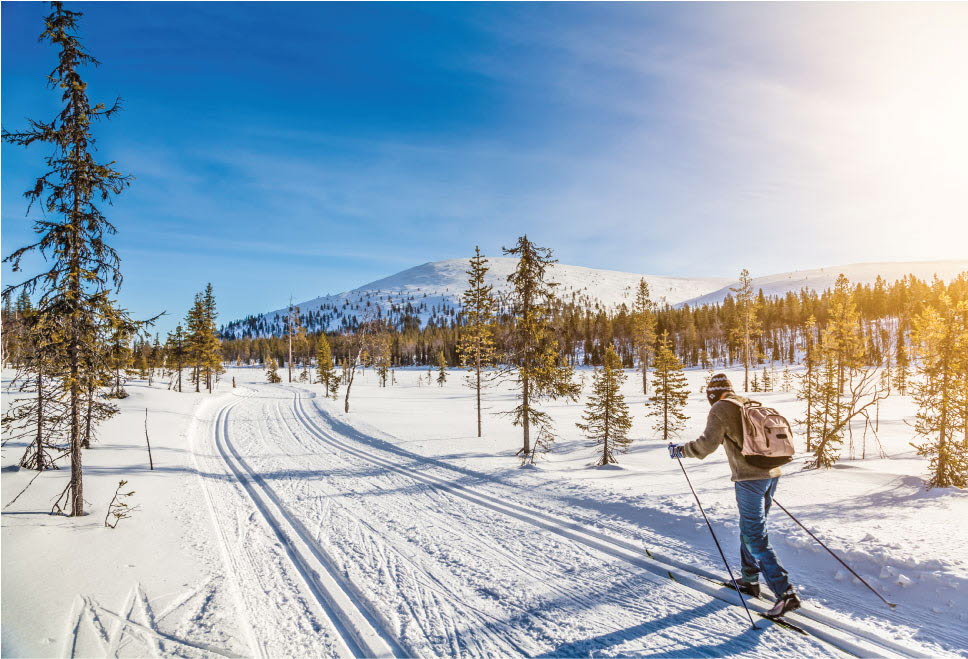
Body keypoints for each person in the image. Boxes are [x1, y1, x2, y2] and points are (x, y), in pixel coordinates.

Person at [668, 373, 801, 618]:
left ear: (712, 394)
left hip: (750, 479)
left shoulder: (721, 408)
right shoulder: (747, 403)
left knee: (753, 535)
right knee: (750, 529)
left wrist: (680, 451)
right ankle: (750, 580)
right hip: (771, 475)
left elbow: (706, 446)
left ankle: (785, 593)